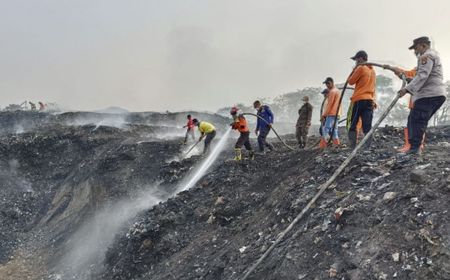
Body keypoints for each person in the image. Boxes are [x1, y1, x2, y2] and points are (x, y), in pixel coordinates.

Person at [397, 36, 447, 155]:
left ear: (423, 45)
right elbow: (425, 75)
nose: (415, 51)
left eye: (416, 48)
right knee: (415, 119)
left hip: (428, 95)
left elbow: (423, 75)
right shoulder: (431, 55)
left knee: (417, 120)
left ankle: (414, 150)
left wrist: (407, 89)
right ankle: (414, 148)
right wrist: (410, 80)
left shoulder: (426, 56)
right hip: (434, 94)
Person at [347, 50, 376, 149]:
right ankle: (368, 147)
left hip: (359, 100)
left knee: (353, 124)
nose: (355, 61)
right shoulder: (372, 70)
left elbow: (350, 81)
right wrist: (374, 101)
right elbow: (373, 87)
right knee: (367, 125)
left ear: (361, 58)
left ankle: (352, 146)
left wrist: (354, 69)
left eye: (356, 59)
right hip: (369, 101)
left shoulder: (361, 68)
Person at [319, 77, 342, 148]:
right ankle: (337, 144)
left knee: (326, 129)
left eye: (328, 84)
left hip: (331, 113)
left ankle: (323, 145)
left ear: (332, 82)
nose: (327, 86)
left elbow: (329, 105)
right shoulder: (337, 91)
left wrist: (324, 115)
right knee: (334, 129)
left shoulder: (332, 92)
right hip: (337, 114)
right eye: (326, 84)